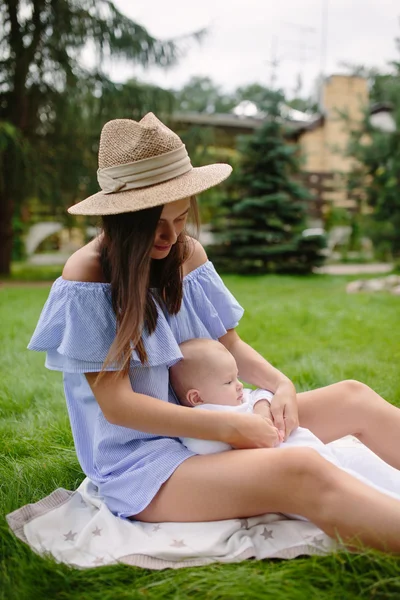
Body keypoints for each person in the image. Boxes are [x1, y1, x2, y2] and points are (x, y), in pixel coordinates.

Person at [28, 112, 400, 553]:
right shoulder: (88, 276)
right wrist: (230, 430)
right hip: (147, 463)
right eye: (155, 225)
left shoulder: (187, 254)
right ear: (123, 220)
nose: (171, 237)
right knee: (301, 472)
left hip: (219, 421)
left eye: (181, 219)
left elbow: (231, 345)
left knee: (352, 397)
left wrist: (279, 383)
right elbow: (119, 406)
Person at [170, 338, 400, 505]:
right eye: (228, 382)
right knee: (359, 488)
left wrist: (261, 408)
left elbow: (260, 393)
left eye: (237, 377)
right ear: (196, 398)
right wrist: (234, 433)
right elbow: (207, 448)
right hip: (292, 470)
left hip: (315, 450)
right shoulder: (205, 419)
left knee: (368, 475)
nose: (239, 385)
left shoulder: (237, 399)